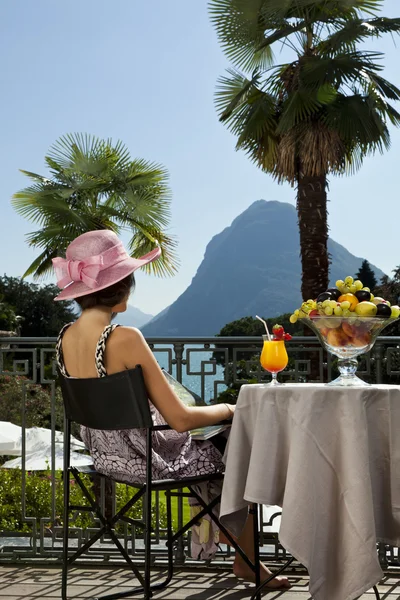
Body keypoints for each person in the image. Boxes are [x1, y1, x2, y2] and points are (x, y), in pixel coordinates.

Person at [53, 230, 290, 589]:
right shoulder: (126, 338)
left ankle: (237, 548)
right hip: (148, 460)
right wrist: (231, 408)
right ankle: (245, 556)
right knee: (237, 442)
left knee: (223, 443)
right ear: (122, 287)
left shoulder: (64, 337)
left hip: (106, 459)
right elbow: (179, 419)